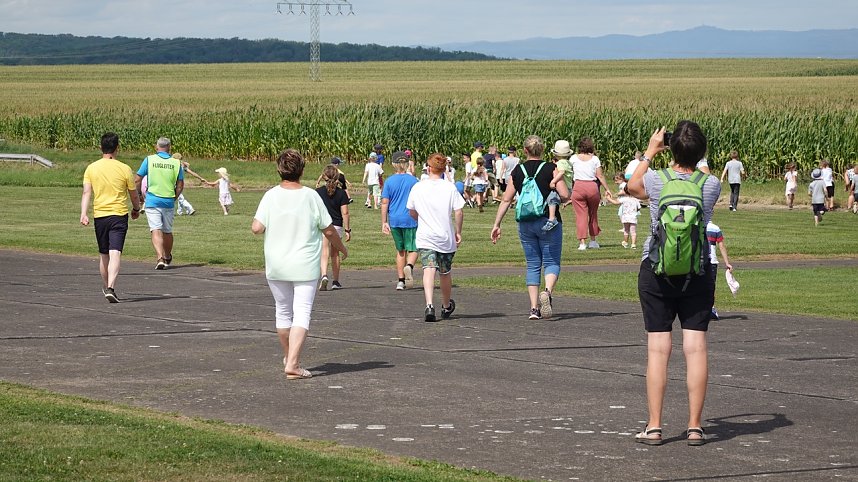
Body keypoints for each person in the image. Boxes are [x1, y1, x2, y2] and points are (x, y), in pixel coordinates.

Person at [625, 121, 721, 446]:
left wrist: (650, 152)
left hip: (656, 270)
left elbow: (632, 187)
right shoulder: (711, 184)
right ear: (701, 150)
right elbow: (703, 177)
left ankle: (654, 426)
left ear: (671, 148)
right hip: (698, 271)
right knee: (695, 348)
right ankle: (695, 426)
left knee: (658, 349)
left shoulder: (655, 179)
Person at [252, 149, 348, 380]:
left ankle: (290, 358)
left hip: (276, 263)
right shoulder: (310, 196)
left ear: (279, 170)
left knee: (283, 311)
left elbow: (256, 227)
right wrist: (343, 248)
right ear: (302, 170)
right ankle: (293, 363)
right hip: (304, 264)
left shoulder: (270, 195)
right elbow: (328, 229)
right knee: (302, 311)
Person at [491, 135, 570, 320]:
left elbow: (506, 199)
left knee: (533, 264)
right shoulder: (551, 168)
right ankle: (547, 292)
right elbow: (565, 194)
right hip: (548, 220)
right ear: (543, 150)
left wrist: (497, 224)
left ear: (525, 151)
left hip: (526, 222)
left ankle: (534, 308)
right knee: (551, 262)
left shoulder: (518, 170)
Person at [80, 132, 142, 303]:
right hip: (118, 214)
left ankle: (107, 286)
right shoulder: (124, 168)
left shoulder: (92, 168)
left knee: (104, 254)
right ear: (117, 148)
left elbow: (86, 192)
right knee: (115, 252)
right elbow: (133, 194)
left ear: (101, 147)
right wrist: (136, 209)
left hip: (100, 215)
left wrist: (84, 213)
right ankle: (111, 287)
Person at [407, 153, 465, 322]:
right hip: (444, 235)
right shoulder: (450, 187)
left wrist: (421, 218)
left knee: (429, 269)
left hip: (426, 235)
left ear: (429, 168)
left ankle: (429, 304)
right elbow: (459, 211)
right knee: (445, 272)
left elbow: (412, 211)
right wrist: (458, 231)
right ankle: (446, 305)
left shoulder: (418, 187)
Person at [135, 137, 184, 270]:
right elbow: (180, 185)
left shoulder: (149, 160)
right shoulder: (176, 163)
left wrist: (140, 195)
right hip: (168, 200)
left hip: (152, 199)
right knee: (167, 230)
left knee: (155, 229)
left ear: (157, 147)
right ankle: (167, 255)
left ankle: (160, 257)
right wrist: (174, 197)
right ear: (169, 148)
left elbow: (137, 179)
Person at [381, 151, 419, 291]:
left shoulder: (389, 181)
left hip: (395, 219)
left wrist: (384, 221)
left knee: (400, 250)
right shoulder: (414, 181)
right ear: (407, 164)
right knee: (414, 248)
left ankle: (401, 280)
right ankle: (409, 266)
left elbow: (385, 202)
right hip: (410, 217)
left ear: (393, 164)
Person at [570, 137, 613, 250]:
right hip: (592, 187)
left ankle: (582, 243)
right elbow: (600, 175)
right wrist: (607, 188)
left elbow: (570, 173)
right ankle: (593, 241)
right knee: (593, 214)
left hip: (578, 186)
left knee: (581, 216)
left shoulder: (573, 158)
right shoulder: (595, 159)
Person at [316, 165, 351, 291]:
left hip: (323, 225)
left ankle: (324, 275)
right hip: (336, 225)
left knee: (324, 251)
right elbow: (345, 213)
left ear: (323, 177)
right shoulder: (341, 193)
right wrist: (347, 230)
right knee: (335, 253)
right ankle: (336, 281)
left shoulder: (318, 192)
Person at [543, 140, 574, 232]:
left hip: (564, 187)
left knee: (552, 198)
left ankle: (552, 218)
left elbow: (561, 172)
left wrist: (553, 181)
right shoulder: (568, 163)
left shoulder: (561, 163)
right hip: (568, 188)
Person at [705, 221, 734, 320]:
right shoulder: (715, 228)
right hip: (712, 261)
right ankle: (710, 308)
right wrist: (727, 263)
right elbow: (721, 246)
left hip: (699, 261)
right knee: (711, 286)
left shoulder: (697, 225)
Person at [607, 173, 641, 249]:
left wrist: (609, 199)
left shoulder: (624, 198)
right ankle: (633, 244)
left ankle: (625, 242)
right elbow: (639, 208)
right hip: (633, 217)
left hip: (625, 217)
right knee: (633, 232)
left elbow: (616, 202)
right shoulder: (635, 199)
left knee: (626, 230)